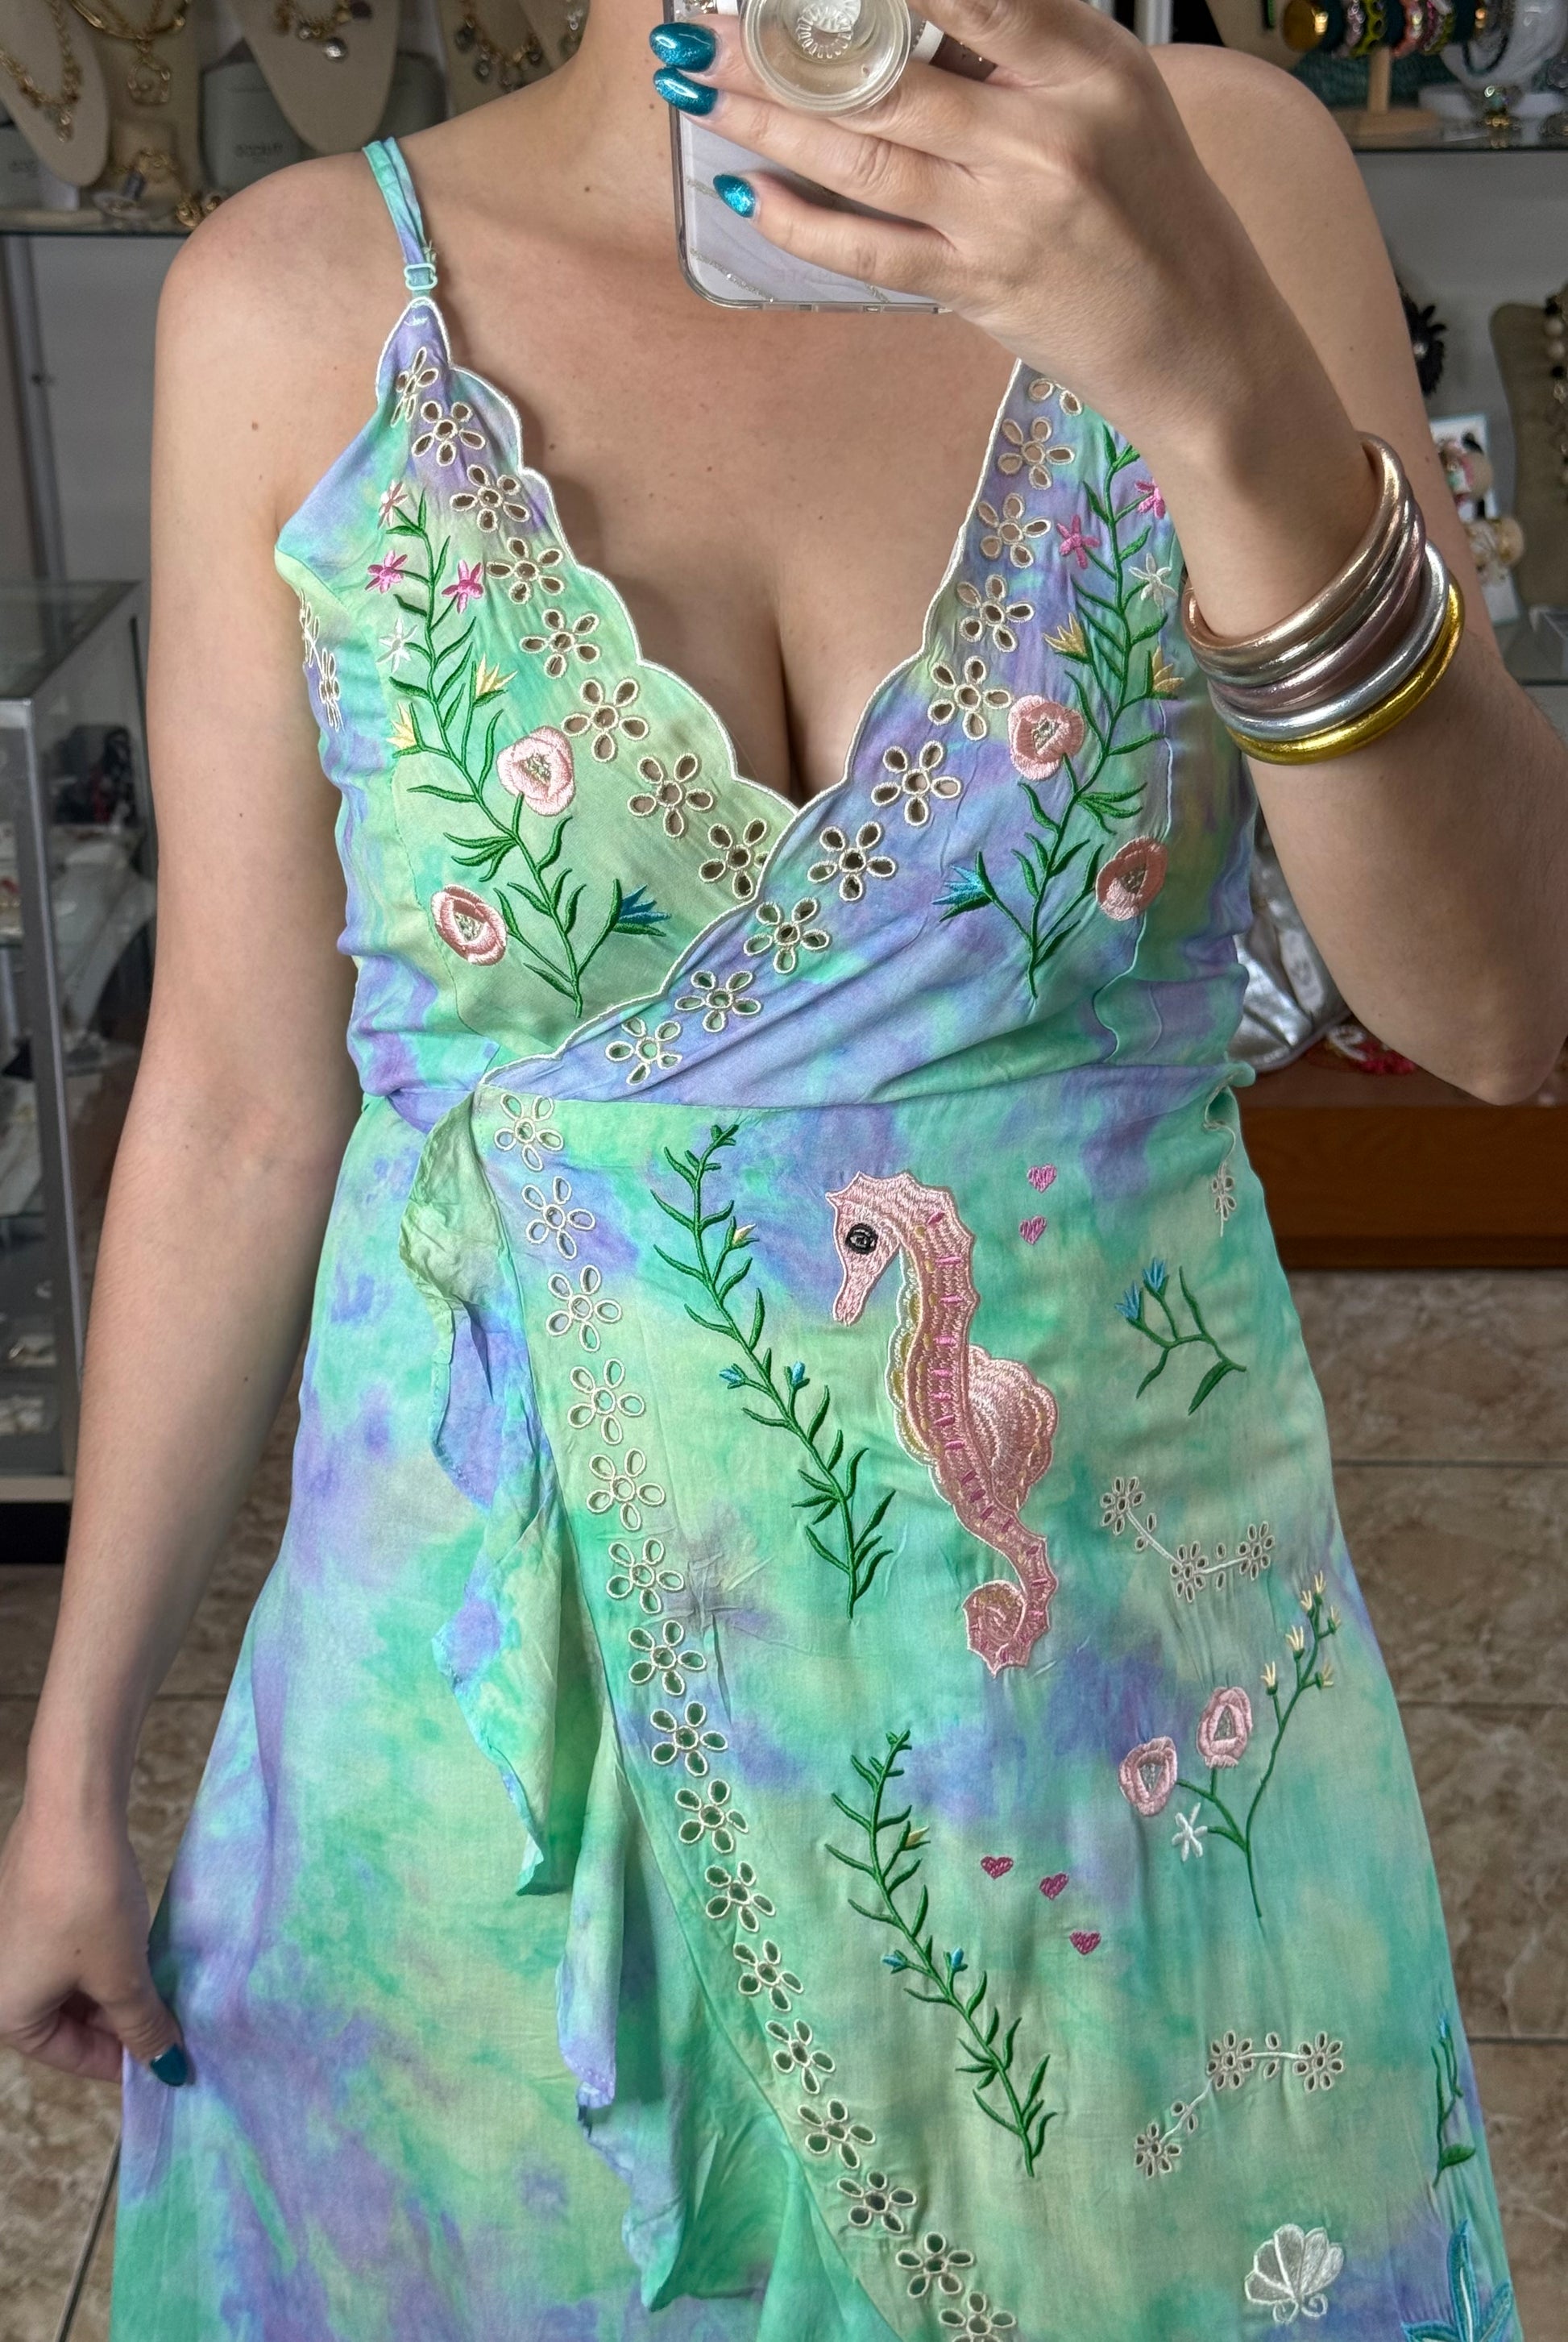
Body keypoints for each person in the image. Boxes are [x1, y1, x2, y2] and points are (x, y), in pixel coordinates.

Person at [2, 0, 1564, 2331]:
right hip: (488, 1790)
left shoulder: (1213, 174)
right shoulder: (298, 301)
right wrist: (72, 1757)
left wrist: (1216, 382)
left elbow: (1497, 1006)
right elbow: (237, 1098)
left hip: (1104, 1772)